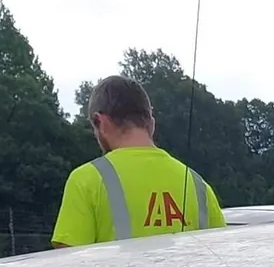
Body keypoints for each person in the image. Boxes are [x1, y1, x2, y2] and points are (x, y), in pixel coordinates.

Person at [51, 76, 226, 247]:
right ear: (151, 124)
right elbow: (222, 258)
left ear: (100, 122)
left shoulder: (86, 181)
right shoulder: (199, 186)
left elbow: (69, 264)